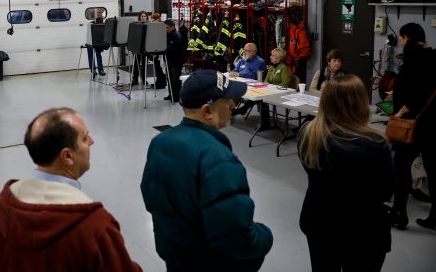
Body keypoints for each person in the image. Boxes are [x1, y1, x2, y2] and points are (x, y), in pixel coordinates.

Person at [141, 70, 273, 271]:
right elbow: (236, 237)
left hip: (177, 258)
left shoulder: (159, 143)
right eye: (228, 99)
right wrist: (264, 236)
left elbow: (151, 199)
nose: (233, 105)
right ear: (207, 110)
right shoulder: (218, 158)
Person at [0, 108, 142, 272]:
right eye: (85, 138)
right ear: (67, 157)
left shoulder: (5, 202)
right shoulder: (95, 226)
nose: (91, 141)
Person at [297, 74, 395, 271]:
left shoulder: (307, 133)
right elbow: (385, 192)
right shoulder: (375, 143)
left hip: (319, 221)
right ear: (361, 104)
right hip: (362, 228)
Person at [390, 22, 436, 230]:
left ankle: (399, 213)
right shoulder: (432, 56)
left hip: (414, 124)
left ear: (407, 38)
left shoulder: (415, 59)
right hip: (431, 122)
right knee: (433, 168)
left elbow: (418, 91)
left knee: (401, 165)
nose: (400, 42)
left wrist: (401, 111)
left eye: (401, 38)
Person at [163, 19, 185, 102]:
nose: (166, 29)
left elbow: (175, 50)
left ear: (172, 26)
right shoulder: (168, 34)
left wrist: (166, 47)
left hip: (176, 62)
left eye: (167, 28)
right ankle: (171, 94)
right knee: (169, 78)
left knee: (176, 80)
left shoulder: (177, 36)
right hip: (169, 60)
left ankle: (176, 96)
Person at [131, 11, 150, 86]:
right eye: (142, 16)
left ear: (147, 17)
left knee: (145, 64)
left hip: (146, 47)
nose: (143, 17)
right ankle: (135, 79)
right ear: (139, 17)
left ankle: (144, 79)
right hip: (137, 47)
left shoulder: (149, 25)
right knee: (136, 64)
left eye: (144, 16)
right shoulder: (136, 25)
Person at [151, 13, 167, 89]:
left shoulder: (162, 27)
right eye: (153, 19)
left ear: (159, 19)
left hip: (161, 50)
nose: (154, 21)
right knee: (157, 67)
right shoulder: (153, 27)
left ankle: (162, 83)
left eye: (156, 19)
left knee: (161, 67)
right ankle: (158, 82)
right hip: (155, 50)